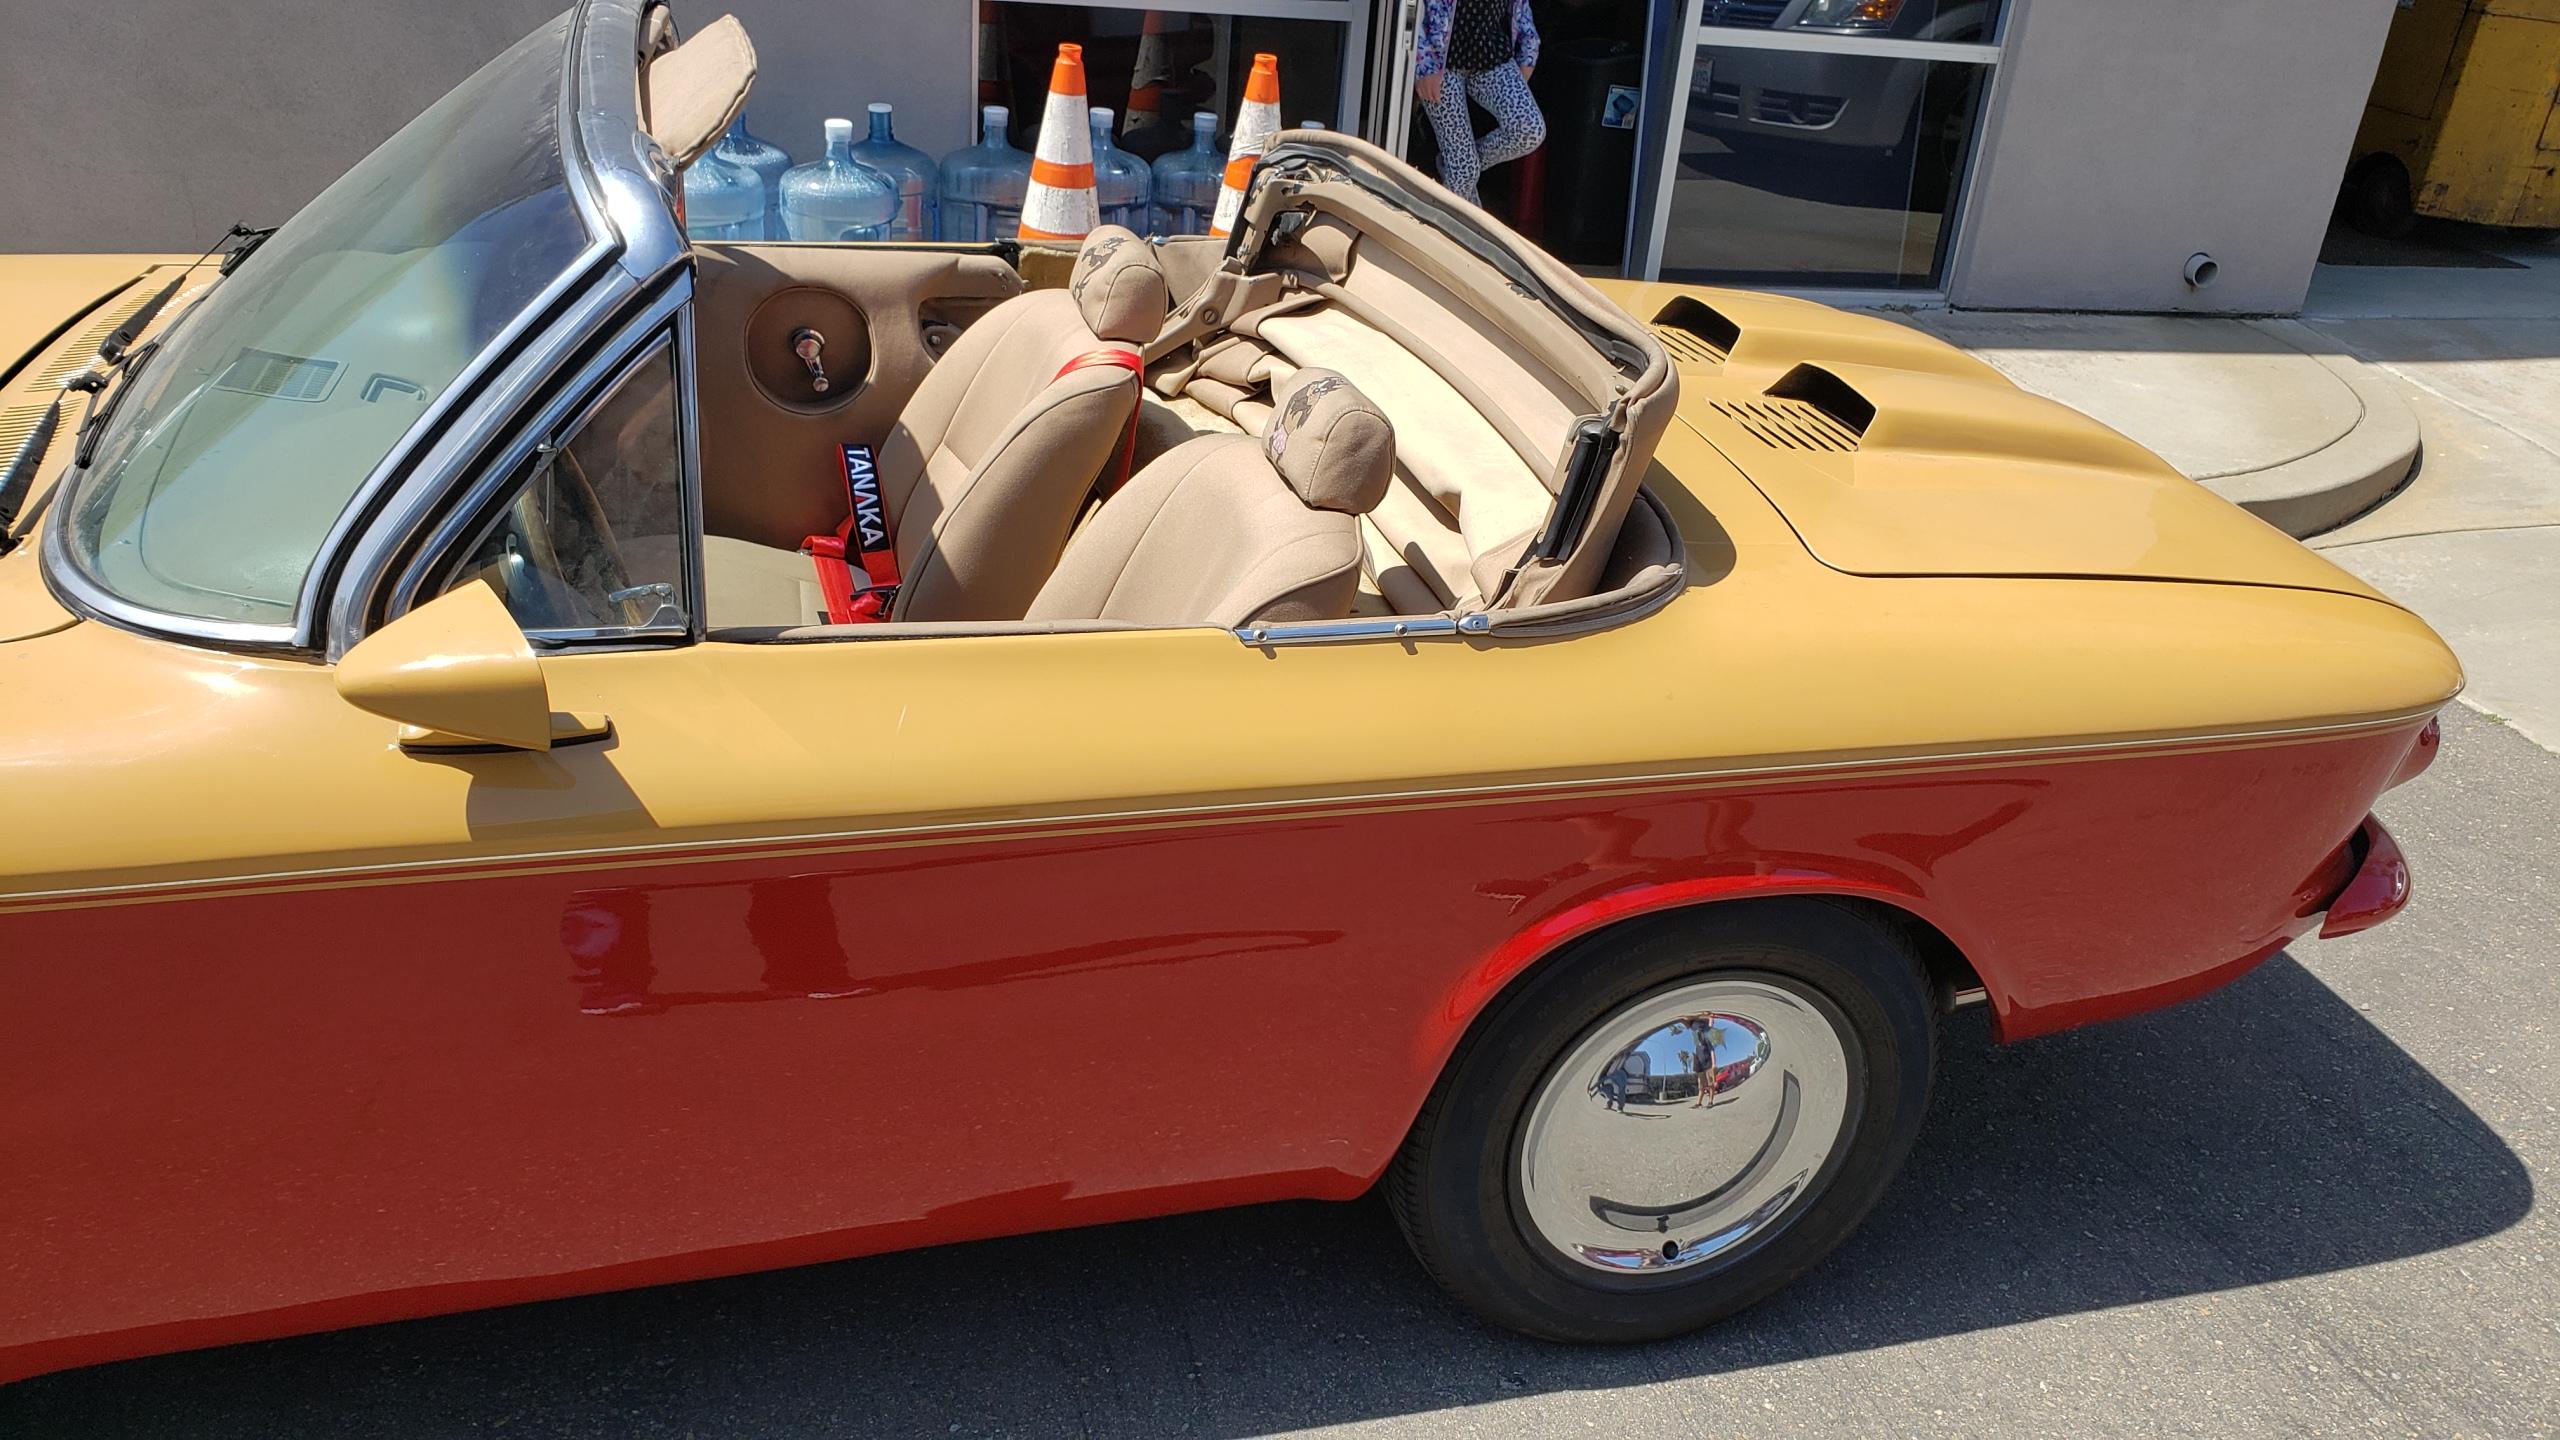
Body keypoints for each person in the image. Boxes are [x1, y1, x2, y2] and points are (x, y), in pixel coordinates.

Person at [1414, 0, 1543, 208]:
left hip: (1491, 55)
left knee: (1528, 130)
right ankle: (1453, 235)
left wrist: (1528, 53)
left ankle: (1454, 163)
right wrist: (1424, 64)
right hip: (1442, 62)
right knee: (1463, 172)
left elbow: (1522, 9)